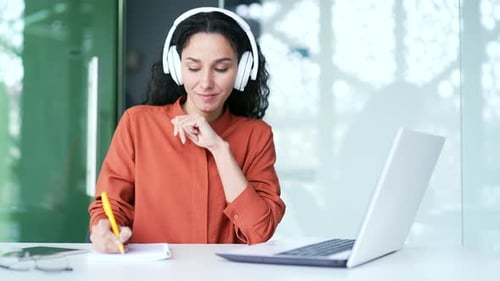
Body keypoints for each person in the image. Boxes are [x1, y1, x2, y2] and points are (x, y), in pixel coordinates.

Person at [88, 7, 286, 253]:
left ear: (242, 70)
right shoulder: (137, 124)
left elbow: (259, 230)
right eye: (193, 68)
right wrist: (104, 229)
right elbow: (111, 206)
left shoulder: (256, 135)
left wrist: (219, 149)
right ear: (175, 65)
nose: (206, 82)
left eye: (221, 69)